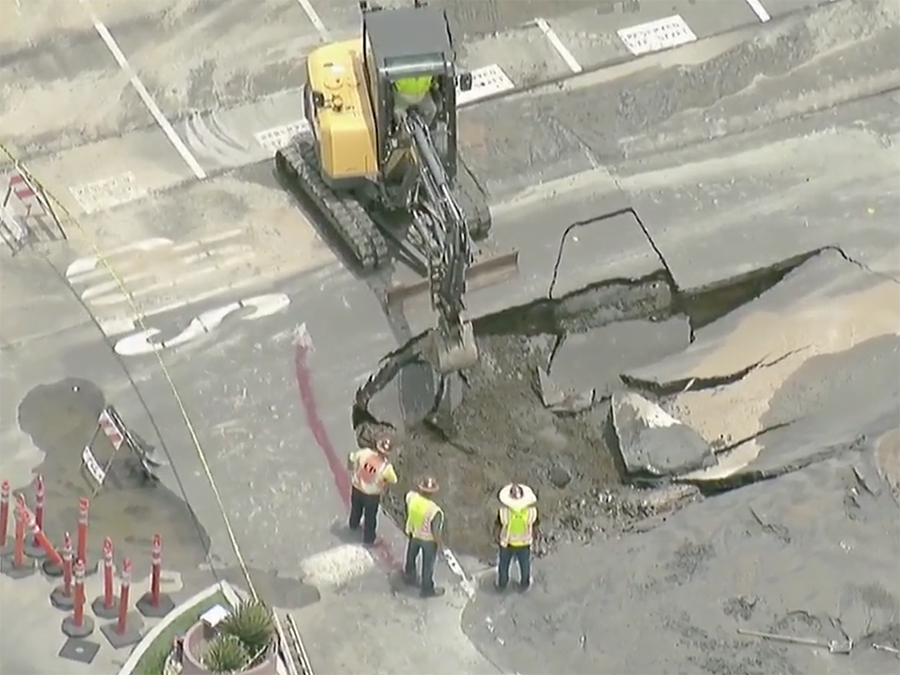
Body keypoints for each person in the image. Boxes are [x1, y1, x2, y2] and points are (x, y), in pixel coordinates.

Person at [347, 437, 398, 546]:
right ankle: (369, 538)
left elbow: (351, 457)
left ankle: (353, 524)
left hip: (357, 487)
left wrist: (352, 469)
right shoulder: (386, 468)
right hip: (371, 495)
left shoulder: (365, 453)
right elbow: (394, 479)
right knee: (370, 517)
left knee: (356, 509)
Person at [403, 476, 445, 598]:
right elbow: (435, 531)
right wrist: (440, 545)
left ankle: (409, 576)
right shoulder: (434, 510)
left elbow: (408, 504)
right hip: (428, 540)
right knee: (428, 565)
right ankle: (427, 588)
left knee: (411, 555)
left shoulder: (412, 498)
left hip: (414, 533)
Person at [494, 483, 539, 592]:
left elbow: (498, 526)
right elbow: (535, 526)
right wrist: (535, 537)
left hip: (507, 543)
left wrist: (496, 538)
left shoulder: (503, 512)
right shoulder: (531, 512)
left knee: (503, 566)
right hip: (524, 543)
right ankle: (525, 584)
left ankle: (502, 584)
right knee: (525, 565)